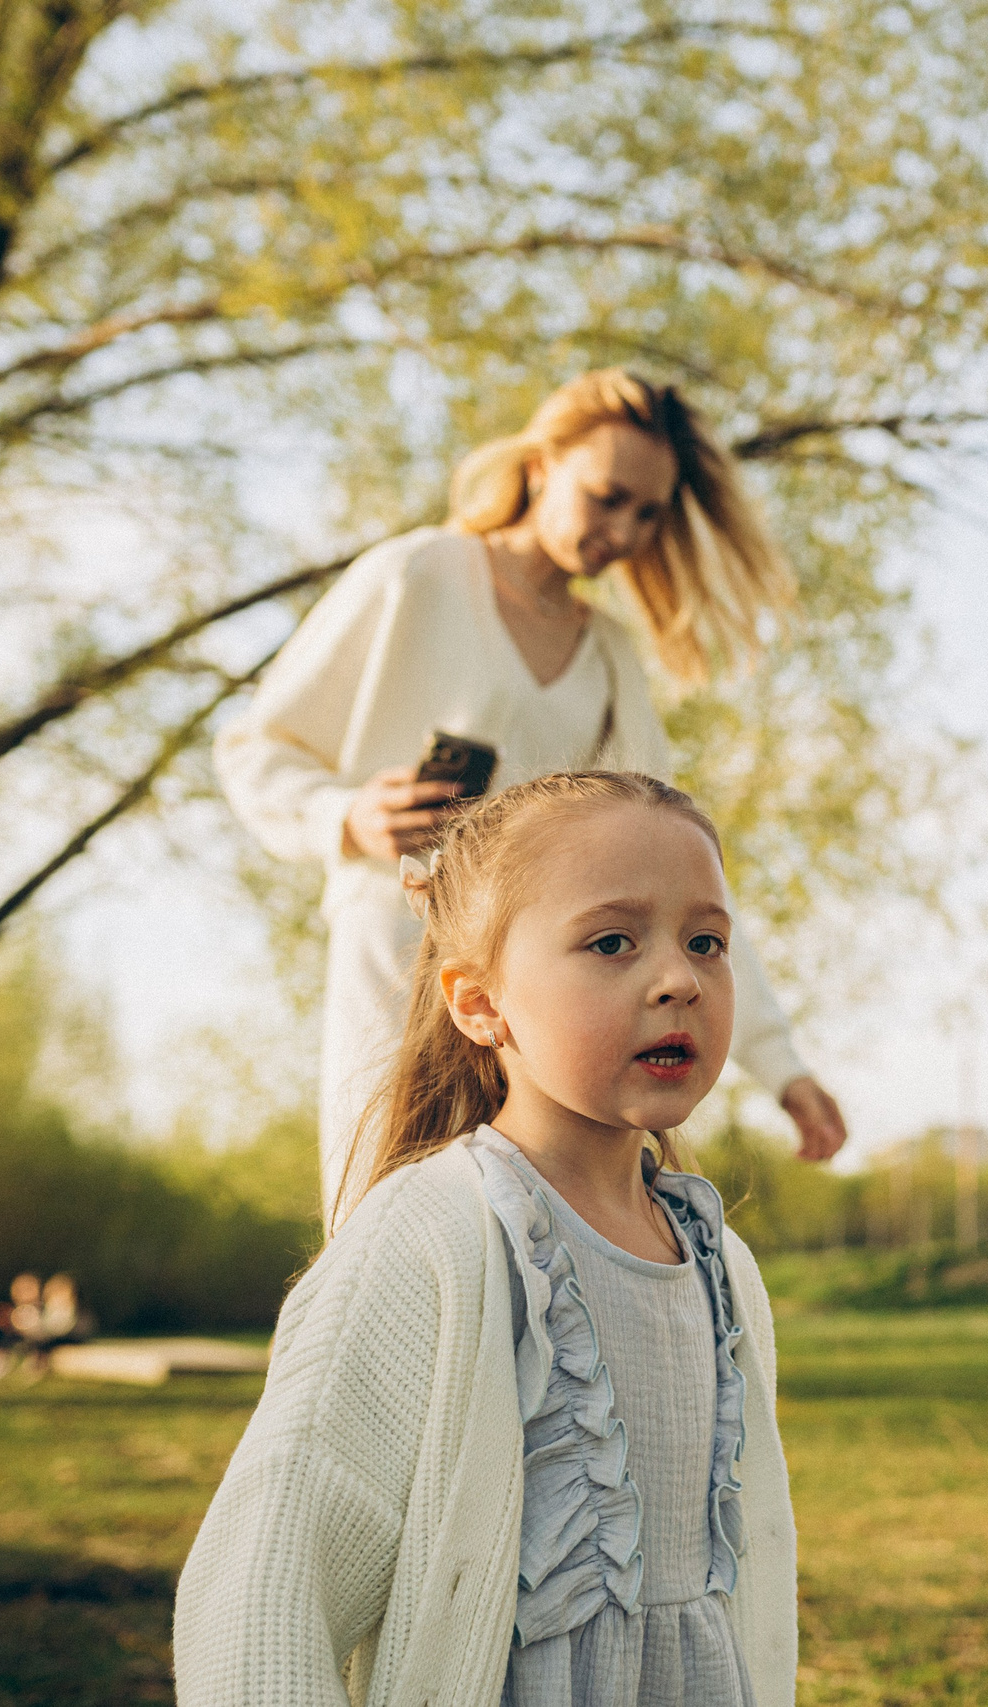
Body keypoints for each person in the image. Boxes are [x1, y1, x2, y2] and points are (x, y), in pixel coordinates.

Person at [173, 770, 796, 1707]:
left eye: (707, 941)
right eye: (613, 941)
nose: (679, 978)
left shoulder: (723, 1264)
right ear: (478, 1002)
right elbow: (262, 1591)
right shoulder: (427, 1237)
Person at [215, 371, 847, 1222]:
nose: (623, 531)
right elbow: (254, 749)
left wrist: (782, 1064)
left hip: (553, 1008)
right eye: (607, 496)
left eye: (649, 513)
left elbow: (684, 878)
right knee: (386, 1220)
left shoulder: (612, 660)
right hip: (398, 964)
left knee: (541, 1250)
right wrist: (348, 815)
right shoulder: (414, 576)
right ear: (543, 466)